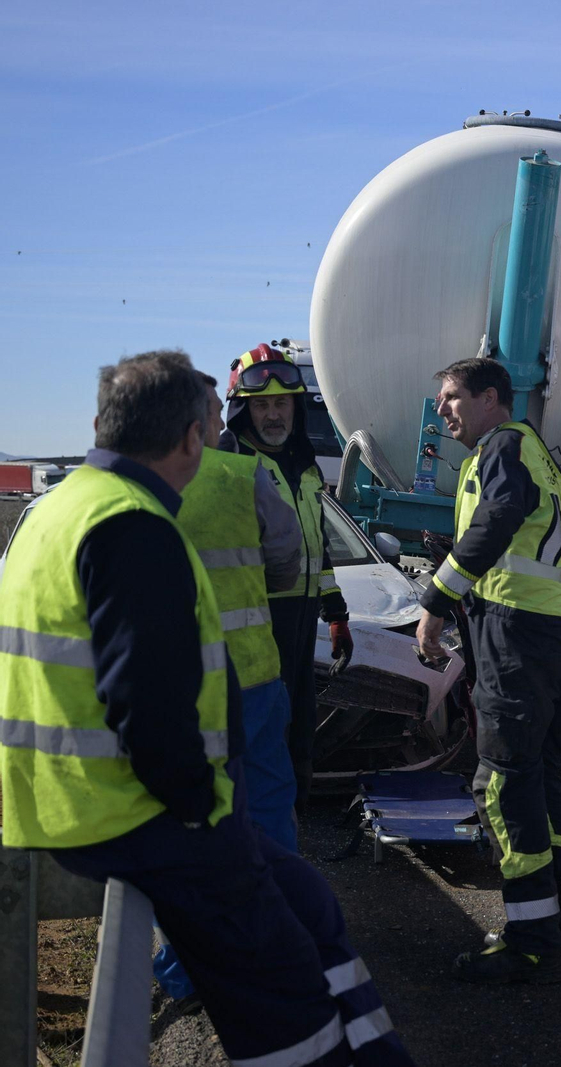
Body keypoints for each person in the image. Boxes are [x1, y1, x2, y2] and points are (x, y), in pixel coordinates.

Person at [0, 350, 413, 1065]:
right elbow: (150, 714)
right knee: (286, 988)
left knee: (310, 902)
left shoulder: (55, 508)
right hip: (130, 817)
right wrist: (206, 814)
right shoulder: (132, 527)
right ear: (196, 437)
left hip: (65, 803)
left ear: (103, 423)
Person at [416, 357, 561, 984]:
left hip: (516, 638)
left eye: (452, 395)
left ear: (491, 399)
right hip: (548, 634)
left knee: (504, 785)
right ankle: (557, 933)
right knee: (539, 785)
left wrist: (439, 598)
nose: (442, 408)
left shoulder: (502, 447)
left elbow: (501, 513)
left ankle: (533, 943)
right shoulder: (537, 452)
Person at [152, 374, 306, 1008]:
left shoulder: (128, 488)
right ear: (196, 426)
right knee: (267, 812)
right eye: (218, 413)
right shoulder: (246, 477)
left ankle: (187, 972)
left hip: (176, 692)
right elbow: (286, 554)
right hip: (254, 678)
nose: (225, 423)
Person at [220, 342, 353, 811]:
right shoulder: (229, 465)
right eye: (261, 405)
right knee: (259, 733)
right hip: (253, 621)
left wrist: (336, 613)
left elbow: (320, 545)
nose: (273, 415)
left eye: (281, 403)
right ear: (243, 409)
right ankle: (255, 839)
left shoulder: (305, 465)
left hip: (301, 620)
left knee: (299, 727)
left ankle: (290, 833)